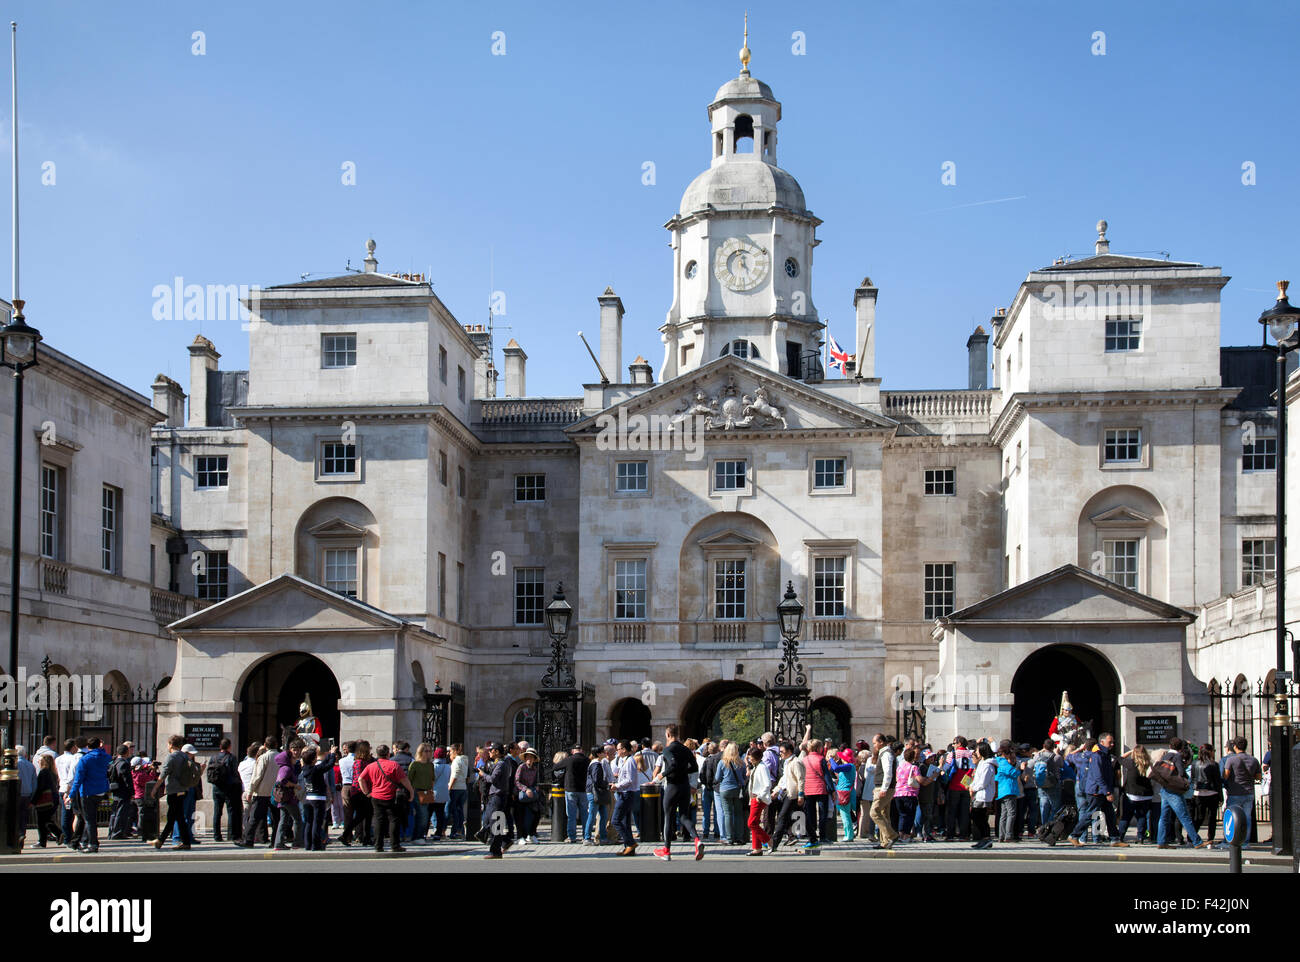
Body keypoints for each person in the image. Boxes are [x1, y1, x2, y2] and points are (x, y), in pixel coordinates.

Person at [652, 724, 703, 862]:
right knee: (684, 816)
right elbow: (694, 767)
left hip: (672, 786)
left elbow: (673, 765)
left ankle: (667, 851)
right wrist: (683, 771)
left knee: (668, 817)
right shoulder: (686, 749)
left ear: (668, 735)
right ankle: (697, 840)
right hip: (685, 786)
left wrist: (659, 777)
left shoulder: (668, 749)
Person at [357, 743, 413, 853]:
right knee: (394, 820)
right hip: (391, 796)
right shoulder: (394, 765)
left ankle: (378, 846)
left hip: (376, 796)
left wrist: (367, 793)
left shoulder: (371, 766)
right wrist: (411, 792)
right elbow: (404, 780)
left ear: (377, 754)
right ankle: (395, 845)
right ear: (388, 754)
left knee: (378, 820)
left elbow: (360, 779)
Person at [1154, 737, 1209, 849]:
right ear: (1180, 748)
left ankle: (1161, 841)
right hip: (1174, 791)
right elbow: (1181, 772)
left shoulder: (1165, 755)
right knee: (1185, 816)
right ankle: (1197, 841)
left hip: (1165, 788)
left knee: (1164, 817)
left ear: (1170, 746)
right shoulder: (1177, 756)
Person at [153, 734, 198, 851]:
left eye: (168, 744)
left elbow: (163, 775)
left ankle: (160, 840)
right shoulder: (185, 757)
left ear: (171, 744)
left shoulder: (171, 757)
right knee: (179, 817)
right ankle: (185, 842)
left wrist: (155, 789)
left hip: (173, 791)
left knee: (172, 817)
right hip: (184, 790)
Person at [68, 736, 111, 854]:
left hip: (88, 792)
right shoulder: (106, 757)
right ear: (99, 745)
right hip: (101, 790)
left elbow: (78, 779)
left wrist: (71, 794)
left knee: (89, 819)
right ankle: (86, 841)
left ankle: (92, 844)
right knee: (91, 818)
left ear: (88, 746)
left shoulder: (85, 759)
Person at [1220, 736, 1261, 847]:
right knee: (1247, 817)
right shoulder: (1253, 760)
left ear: (1235, 746)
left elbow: (1226, 776)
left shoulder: (1231, 759)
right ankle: (1245, 842)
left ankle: (1229, 840)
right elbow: (1258, 777)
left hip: (1235, 792)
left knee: (1231, 817)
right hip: (1249, 793)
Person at [239, 737, 279, 848]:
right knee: (276, 818)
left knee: (254, 817)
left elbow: (257, 776)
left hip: (262, 792)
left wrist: (250, 791)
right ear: (276, 745)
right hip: (276, 791)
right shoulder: (280, 757)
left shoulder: (263, 757)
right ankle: (275, 841)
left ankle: (248, 840)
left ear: (265, 746)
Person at [298, 744, 337, 851]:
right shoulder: (315, 770)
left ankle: (308, 844)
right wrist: (333, 754)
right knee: (317, 822)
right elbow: (328, 765)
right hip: (318, 798)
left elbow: (324, 764)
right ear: (313, 760)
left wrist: (329, 754)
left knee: (309, 822)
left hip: (308, 798)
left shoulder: (305, 769)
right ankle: (316, 845)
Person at [767, 740, 804, 852]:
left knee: (782, 816)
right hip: (786, 792)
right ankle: (812, 837)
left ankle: (774, 842)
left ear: (789, 751)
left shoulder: (796, 762)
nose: (780, 753)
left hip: (793, 793)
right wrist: (776, 790)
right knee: (787, 816)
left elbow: (800, 779)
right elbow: (784, 779)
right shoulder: (786, 762)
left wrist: (801, 794)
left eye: (782, 751)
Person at [206, 738, 243, 844]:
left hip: (216, 787)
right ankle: (231, 835)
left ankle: (217, 835)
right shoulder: (231, 757)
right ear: (229, 746)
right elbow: (234, 772)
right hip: (229, 787)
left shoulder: (213, 757)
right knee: (231, 811)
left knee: (217, 812)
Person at [1116, 745, 1154, 844]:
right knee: (1142, 817)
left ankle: (1120, 836)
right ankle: (1140, 837)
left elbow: (1119, 759)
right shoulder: (1149, 764)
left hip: (1131, 795)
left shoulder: (1131, 764)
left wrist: (1130, 752)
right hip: (1146, 795)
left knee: (1126, 816)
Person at [799, 729, 830, 851]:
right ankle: (823, 836)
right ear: (819, 748)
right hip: (821, 788)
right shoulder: (821, 759)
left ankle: (812, 836)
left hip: (808, 789)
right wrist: (832, 791)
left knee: (810, 814)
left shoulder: (804, 760)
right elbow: (826, 775)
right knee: (823, 813)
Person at [552, 744, 590, 843]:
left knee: (571, 815)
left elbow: (556, 767)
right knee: (584, 814)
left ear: (573, 751)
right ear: (581, 750)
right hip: (583, 789)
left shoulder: (569, 759)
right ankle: (586, 836)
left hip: (571, 789)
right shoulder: (587, 760)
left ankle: (572, 837)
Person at [481, 742, 513, 859]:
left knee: (494, 823)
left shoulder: (501, 764)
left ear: (497, 752)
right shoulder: (499, 763)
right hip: (495, 796)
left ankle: (495, 851)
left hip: (498, 796)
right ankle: (504, 841)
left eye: (491, 750)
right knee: (489, 821)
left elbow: (493, 779)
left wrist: (483, 774)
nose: (489, 752)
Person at [869, 732, 898, 849]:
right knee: (884, 814)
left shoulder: (886, 754)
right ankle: (885, 842)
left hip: (884, 787)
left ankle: (892, 835)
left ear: (881, 742)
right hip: (883, 787)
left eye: (875, 743)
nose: (874, 745)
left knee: (874, 812)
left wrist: (884, 788)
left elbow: (888, 772)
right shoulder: (885, 753)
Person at [610, 740, 639, 856]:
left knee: (615, 820)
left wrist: (617, 785)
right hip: (624, 792)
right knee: (625, 821)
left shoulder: (630, 761)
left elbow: (630, 780)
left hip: (627, 793)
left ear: (624, 750)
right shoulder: (623, 760)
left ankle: (630, 843)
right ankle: (629, 848)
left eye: (618, 749)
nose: (617, 751)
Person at [715, 742, 744, 844]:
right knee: (738, 814)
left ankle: (729, 838)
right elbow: (743, 778)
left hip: (724, 789)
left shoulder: (722, 763)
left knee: (727, 814)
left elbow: (717, 778)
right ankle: (739, 837)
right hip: (737, 789)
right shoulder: (741, 763)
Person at [994, 739, 1023, 843]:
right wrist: (1019, 767)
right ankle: (1008, 835)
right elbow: (1014, 773)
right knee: (1011, 813)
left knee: (1004, 814)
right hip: (1008, 789)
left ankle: (1002, 835)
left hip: (1002, 790)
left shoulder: (997, 761)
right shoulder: (1003, 762)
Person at [969, 741, 997, 849]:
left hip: (983, 795)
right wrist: (972, 786)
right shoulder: (982, 763)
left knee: (980, 818)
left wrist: (974, 788)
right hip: (978, 794)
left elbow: (983, 782)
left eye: (977, 750)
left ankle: (986, 838)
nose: (976, 752)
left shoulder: (988, 765)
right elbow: (977, 779)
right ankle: (982, 839)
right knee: (976, 817)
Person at [32, 752, 62, 847]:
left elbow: (40, 788)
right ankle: (58, 834)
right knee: (47, 820)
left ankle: (42, 841)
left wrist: (33, 801)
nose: (38, 761)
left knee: (42, 821)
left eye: (40, 760)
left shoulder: (43, 772)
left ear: (44, 762)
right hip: (52, 799)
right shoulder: (52, 772)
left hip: (45, 800)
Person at [407, 743, 435, 843]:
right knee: (423, 815)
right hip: (417, 791)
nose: (428, 753)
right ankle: (418, 837)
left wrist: (431, 790)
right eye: (426, 751)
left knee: (423, 815)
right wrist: (411, 793)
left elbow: (432, 779)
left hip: (427, 792)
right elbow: (409, 779)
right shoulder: (415, 764)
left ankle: (418, 836)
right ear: (420, 752)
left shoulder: (430, 765)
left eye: (429, 751)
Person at [828, 747, 857, 842]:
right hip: (843, 793)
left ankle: (848, 835)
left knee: (845, 815)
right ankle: (849, 834)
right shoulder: (849, 767)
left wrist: (831, 759)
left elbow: (835, 768)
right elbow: (835, 769)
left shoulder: (849, 766)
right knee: (845, 815)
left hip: (844, 793)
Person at [514, 747, 543, 844]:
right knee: (520, 816)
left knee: (536, 814)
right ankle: (520, 836)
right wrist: (526, 789)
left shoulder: (535, 769)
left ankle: (532, 834)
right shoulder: (521, 767)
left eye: (531, 757)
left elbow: (536, 782)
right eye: (528, 757)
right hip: (522, 794)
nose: (529, 759)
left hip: (532, 795)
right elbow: (517, 781)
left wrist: (535, 788)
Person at [55, 738, 79, 848]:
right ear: (73, 747)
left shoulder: (58, 759)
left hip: (61, 788)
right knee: (71, 814)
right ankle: (68, 837)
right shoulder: (73, 758)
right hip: (69, 789)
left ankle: (67, 836)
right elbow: (72, 775)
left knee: (65, 813)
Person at [106, 743, 134, 840]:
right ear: (126, 753)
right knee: (121, 812)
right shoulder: (124, 763)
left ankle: (111, 832)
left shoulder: (114, 762)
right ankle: (117, 833)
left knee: (114, 812)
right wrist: (131, 792)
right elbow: (127, 779)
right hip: (123, 791)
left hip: (114, 790)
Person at [583, 744, 609, 845]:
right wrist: (606, 784)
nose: (605, 753)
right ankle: (587, 838)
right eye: (603, 752)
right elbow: (596, 780)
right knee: (593, 815)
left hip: (596, 792)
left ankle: (602, 837)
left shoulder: (595, 763)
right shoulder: (596, 765)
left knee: (603, 814)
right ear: (598, 754)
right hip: (595, 792)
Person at [894, 746, 921, 840]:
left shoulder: (899, 767)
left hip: (898, 793)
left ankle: (900, 834)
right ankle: (906, 835)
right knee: (910, 815)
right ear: (913, 757)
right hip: (909, 793)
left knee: (902, 815)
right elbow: (919, 779)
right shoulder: (914, 767)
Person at [132, 755, 158, 843]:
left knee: (142, 814)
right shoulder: (139, 775)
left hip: (139, 796)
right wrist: (153, 771)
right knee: (143, 815)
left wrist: (149, 766)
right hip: (142, 796)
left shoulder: (135, 771)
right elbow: (150, 779)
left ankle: (143, 831)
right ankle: (142, 832)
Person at [447, 743, 469, 839]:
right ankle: (461, 831)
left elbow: (454, 775)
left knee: (454, 811)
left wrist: (449, 787)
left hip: (455, 788)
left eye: (451, 751)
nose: (449, 754)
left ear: (455, 751)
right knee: (460, 810)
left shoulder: (457, 761)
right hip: (463, 788)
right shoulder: (464, 760)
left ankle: (455, 831)